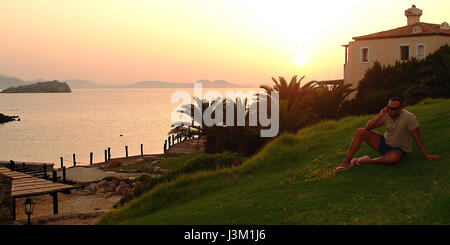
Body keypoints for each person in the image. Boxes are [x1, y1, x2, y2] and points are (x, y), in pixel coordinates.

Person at [333, 97, 439, 173]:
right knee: (360, 131)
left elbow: (417, 138)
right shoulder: (386, 114)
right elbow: (368, 128)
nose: (389, 110)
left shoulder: (409, 118)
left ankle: (364, 161)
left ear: (400, 109)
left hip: (399, 149)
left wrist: (426, 155)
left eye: (393, 109)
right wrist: (379, 116)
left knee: (393, 158)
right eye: (388, 107)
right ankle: (346, 163)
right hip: (384, 143)